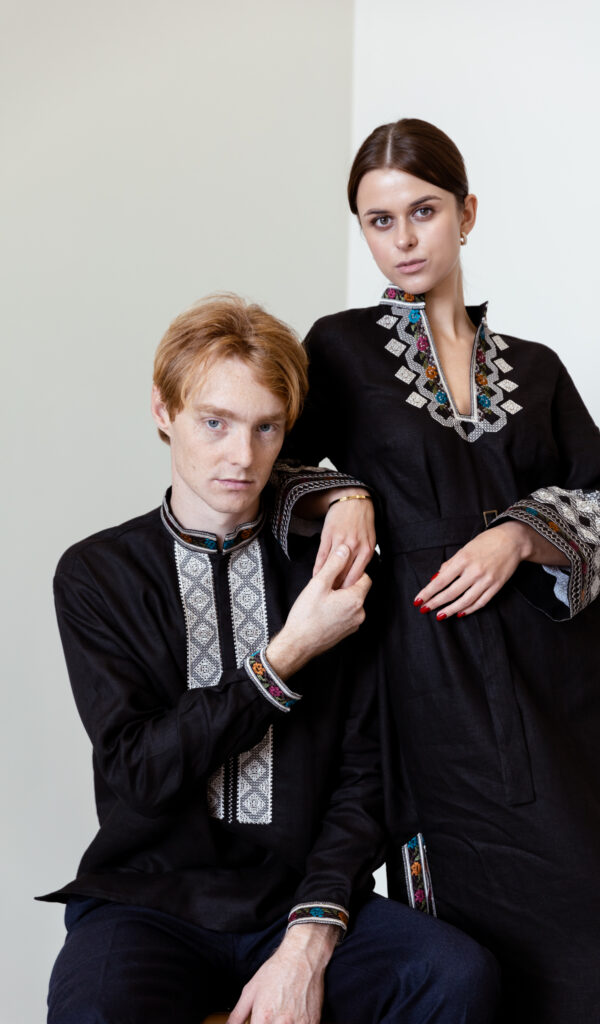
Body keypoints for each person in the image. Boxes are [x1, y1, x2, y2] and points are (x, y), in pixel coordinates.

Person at [284, 119, 600, 1023]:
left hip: (560, 680)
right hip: (430, 679)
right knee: (471, 934)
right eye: (379, 220)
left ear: (466, 214)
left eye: (423, 211)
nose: (404, 238)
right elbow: (277, 474)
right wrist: (342, 493)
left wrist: (519, 536)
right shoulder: (338, 350)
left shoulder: (535, 370)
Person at [39, 293, 500, 1024]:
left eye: (266, 428)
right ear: (163, 411)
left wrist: (308, 941)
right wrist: (290, 652)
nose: (242, 456)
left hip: (299, 900)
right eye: (214, 422)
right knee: (94, 1011)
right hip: (148, 902)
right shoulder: (98, 574)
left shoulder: (332, 571)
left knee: (455, 976)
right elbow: (141, 770)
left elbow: (366, 778)